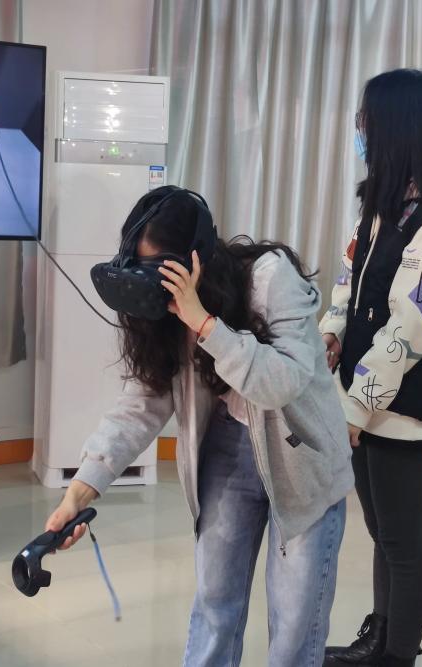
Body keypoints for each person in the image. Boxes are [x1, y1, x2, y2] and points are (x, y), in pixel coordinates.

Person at [46, 186, 354, 667]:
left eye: (166, 272)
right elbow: (142, 404)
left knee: (296, 624)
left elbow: (283, 383)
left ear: (196, 260)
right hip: (228, 445)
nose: (159, 288)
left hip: (303, 454)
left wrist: (205, 324)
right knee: (215, 605)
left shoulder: (270, 278)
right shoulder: (164, 313)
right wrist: (79, 492)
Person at [319, 69, 422, 667]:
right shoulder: (380, 213)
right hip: (364, 402)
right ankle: (380, 639)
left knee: (404, 545)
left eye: (368, 121)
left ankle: (397, 656)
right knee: (383, 536)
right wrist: (331, 335)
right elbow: (347, 286)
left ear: (397, 129)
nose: (361, 130)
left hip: (400, 410)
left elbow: (407, 333)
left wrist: (354, 411)